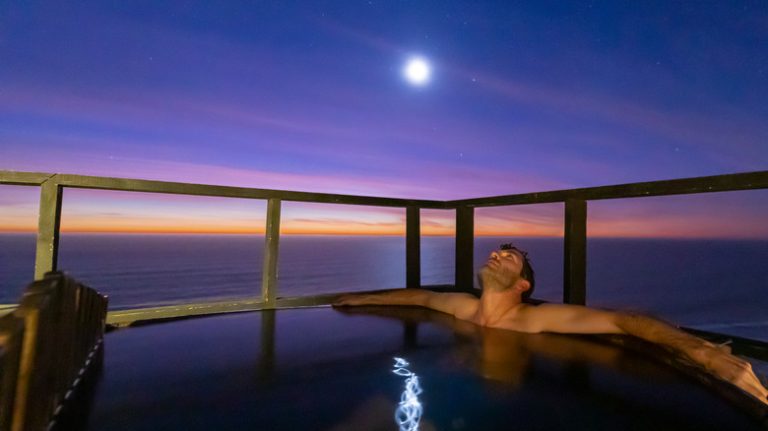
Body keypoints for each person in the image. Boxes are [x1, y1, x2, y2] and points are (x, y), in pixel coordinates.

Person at [334, 243, 768, 405]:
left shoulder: (534, 320)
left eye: (510, 257)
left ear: (522, 283)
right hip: (456, 385)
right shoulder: (463, 308)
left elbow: (625, 321)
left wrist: (701, 351)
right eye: (497, 252)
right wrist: (360, 298)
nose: (497, 254)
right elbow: (420, 297)